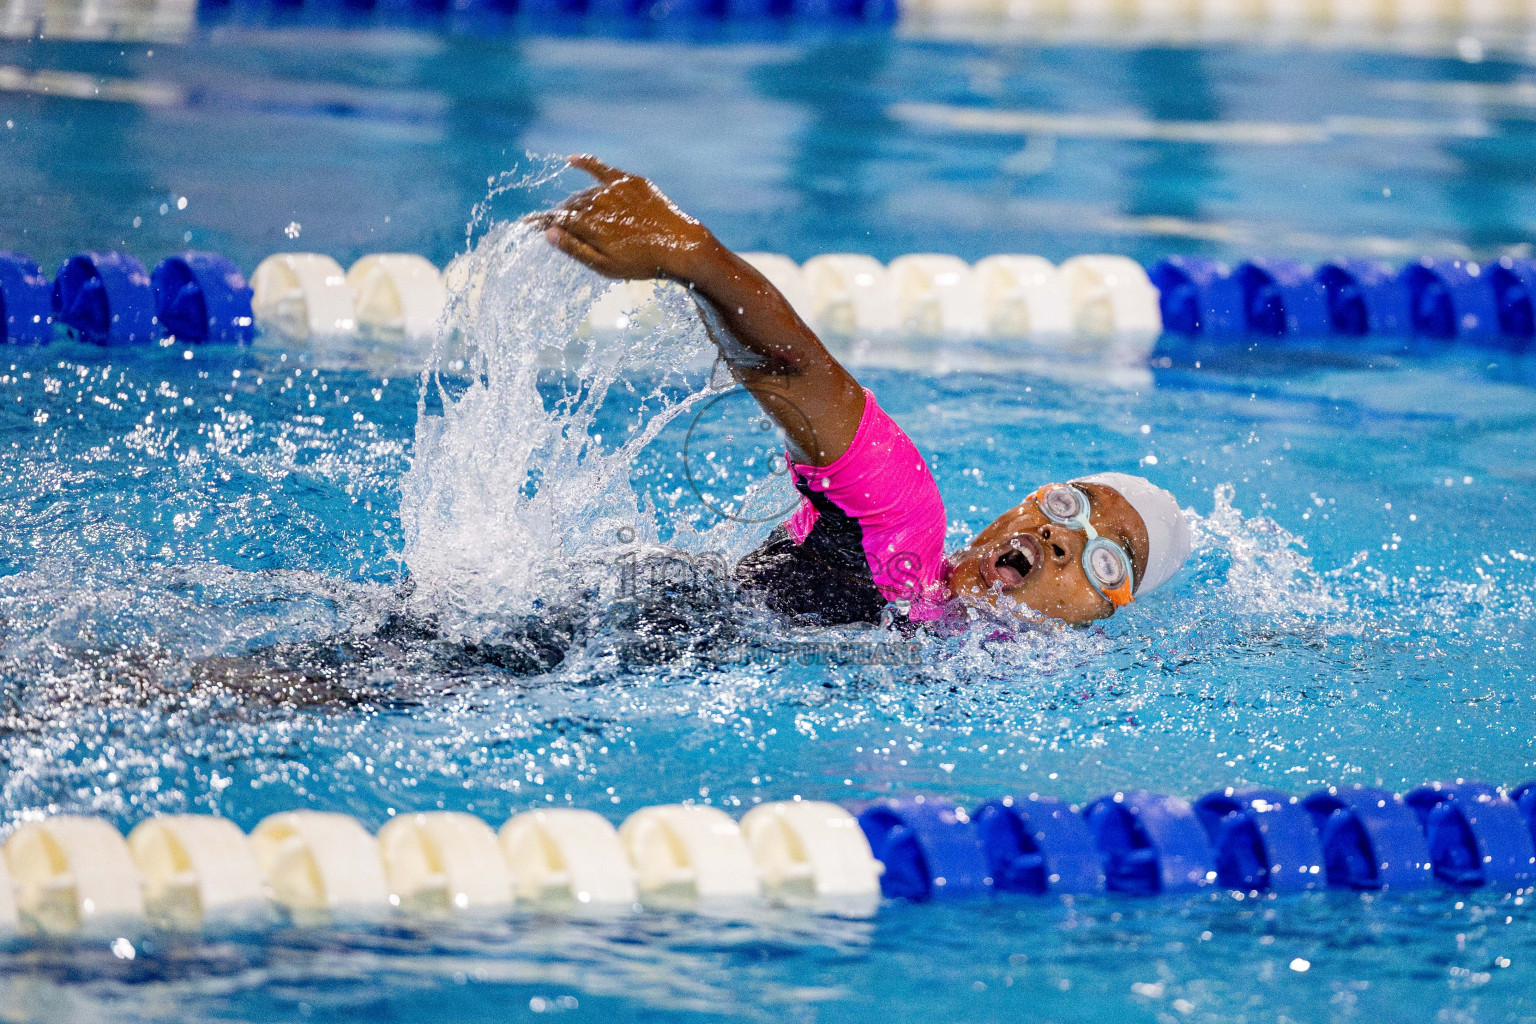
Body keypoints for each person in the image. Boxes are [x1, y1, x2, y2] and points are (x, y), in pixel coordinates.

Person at [538, 155, 1192, 628]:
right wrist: (693, 255)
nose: (1060, 538)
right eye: (1069, 503)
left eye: (1106, 561)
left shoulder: (968, 673)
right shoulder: (904, 541)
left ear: (1097, 615)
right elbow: (790, 371)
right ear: (1017, 509)